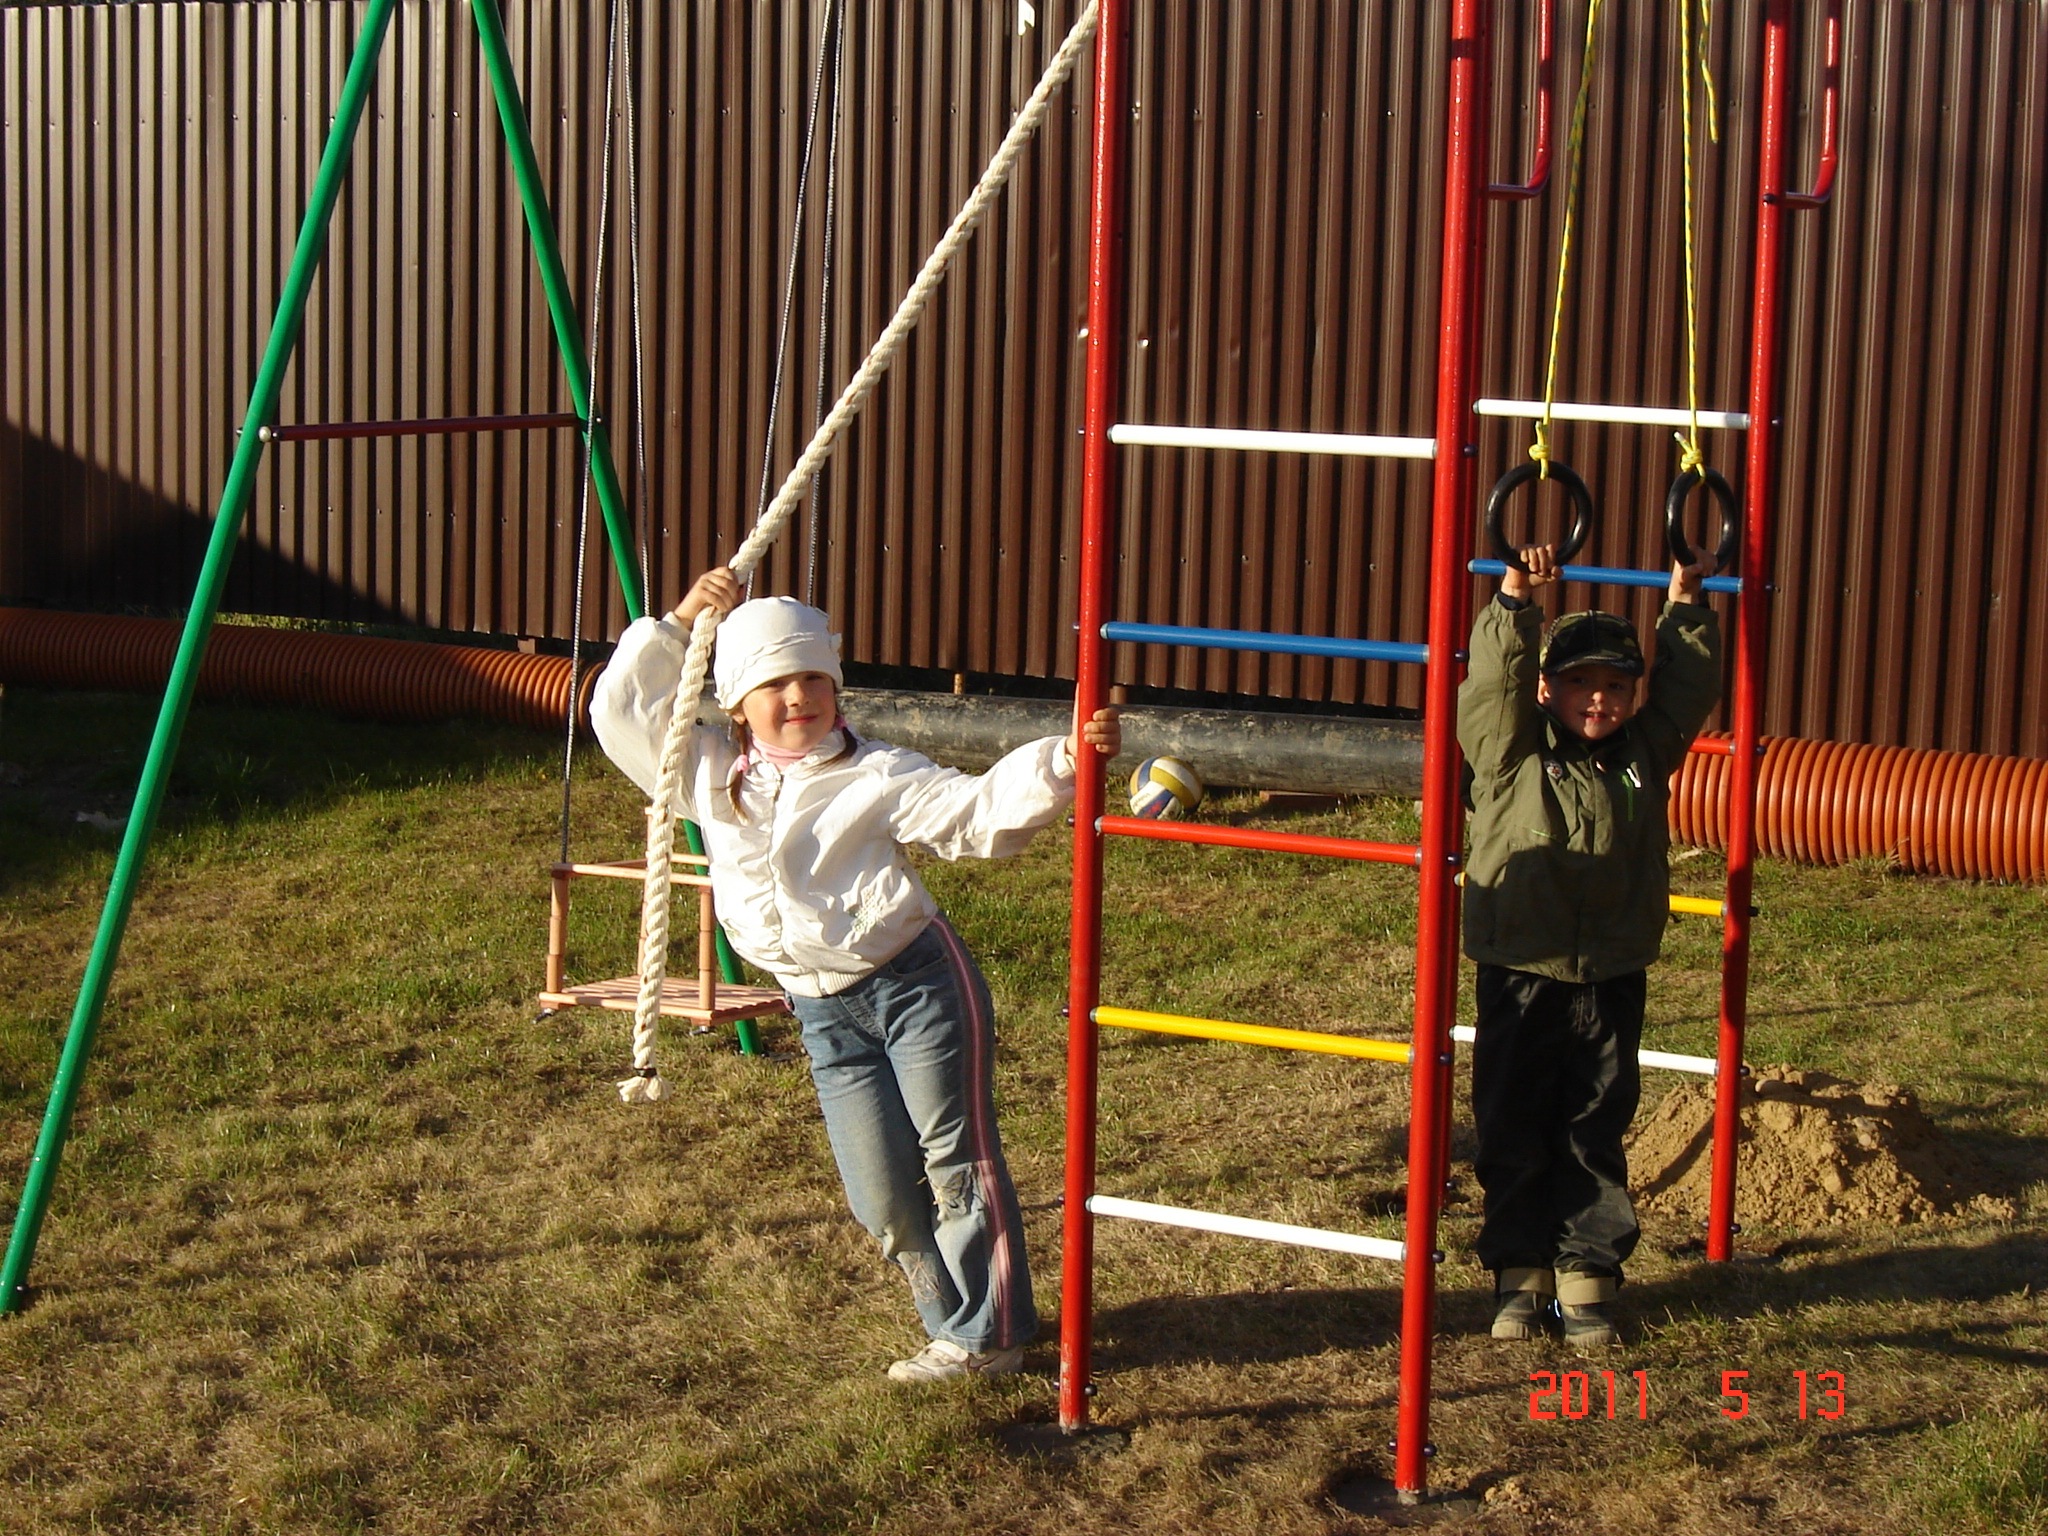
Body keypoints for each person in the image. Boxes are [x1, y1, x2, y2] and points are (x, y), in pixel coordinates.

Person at [590, 566, 1120, 1382]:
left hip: (917, 987)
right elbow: (620, 710)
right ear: (735, 703)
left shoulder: (876, 773)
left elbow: (974, 812)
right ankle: (949, 1324)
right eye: (775, 684)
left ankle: (988, 1336)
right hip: (821, 1012)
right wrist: (683, 620)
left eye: (813, 678)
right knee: (881, 1194)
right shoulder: (704, 773)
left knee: (956, 1159)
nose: (798, 696)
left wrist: (1062, 759)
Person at [1458, 542, 1721, 1349]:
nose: (1598, 699)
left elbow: (1687, 689)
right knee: (1513, 1126)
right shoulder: (1511, 753)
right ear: (1546, 687)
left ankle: (1586, 1279)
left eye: (1614, 685)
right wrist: (1514, 599)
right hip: (1521, 970)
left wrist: (1685, 604)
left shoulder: (1644, 756)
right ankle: (1519, 1276)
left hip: (1609, 972)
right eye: (1579, 683)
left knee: (1593, 1124)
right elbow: (1491, 686)